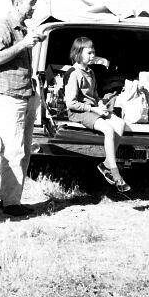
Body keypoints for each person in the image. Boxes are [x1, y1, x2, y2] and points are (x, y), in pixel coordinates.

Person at [0, 0, 45, 218]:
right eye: (31, 2)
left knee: (24, 150)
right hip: (10, 97)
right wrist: (23, 44)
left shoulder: (22, 28)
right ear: (18, 3)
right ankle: (9, 203)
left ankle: (13, 199)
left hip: (24, 95)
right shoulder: (3, 26)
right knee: (14, 150)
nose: (34, 7)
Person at [62, 37, 131, 193]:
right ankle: (115, 173)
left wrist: (100, 104)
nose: (93, 56)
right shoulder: (73, 73)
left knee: (120, 124)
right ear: (78, 53)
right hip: (79, 112)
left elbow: (95, 95)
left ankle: (106, 164)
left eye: (93, 52)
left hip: (93, 109)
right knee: (108, 129)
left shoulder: (91, 72)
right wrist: (94, 109)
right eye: (89, 53)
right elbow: (71, 103)